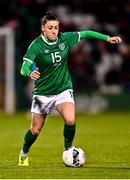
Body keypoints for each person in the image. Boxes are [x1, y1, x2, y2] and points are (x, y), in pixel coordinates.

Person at [18, 11, 122, 166]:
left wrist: (107, 38)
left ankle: (68, 149)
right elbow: (23, 67)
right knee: (35, 130)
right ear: (43, 29)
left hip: (63, 89)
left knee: (70, 120)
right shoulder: (36, 46)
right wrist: (29, 72)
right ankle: (23, 153)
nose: (54, 31)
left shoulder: (65, 38)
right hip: (42, 93)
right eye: (50, 28)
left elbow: (86, 33)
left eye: (56, 27)